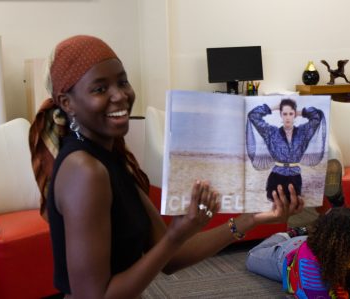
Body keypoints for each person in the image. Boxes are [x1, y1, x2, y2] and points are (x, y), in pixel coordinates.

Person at [28, 35, 304, 299]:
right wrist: (175, 236)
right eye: (100, 89)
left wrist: (251, 219)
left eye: (122, 82)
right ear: (67, 103)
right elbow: (95, 296)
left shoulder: (112, 158)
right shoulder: (84, 171)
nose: (119, 96)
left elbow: (172, 259)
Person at [246, 207, 350, 298]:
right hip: (289, 252)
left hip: (322, 241)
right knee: (251, 257)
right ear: (339, 251)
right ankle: (289, 234)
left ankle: (309, 232)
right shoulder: (309, 265)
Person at [246, 98, 326, 201]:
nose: (288, 117)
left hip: (295, 177)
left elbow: (317, 116)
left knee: (293, 209)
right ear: (280, 115)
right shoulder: (271, 132)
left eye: (291, 114)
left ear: (294, 115)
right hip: (276, 177)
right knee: (275, 208)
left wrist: (300, 112)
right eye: (284, 114)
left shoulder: (304, 132)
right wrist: (274, 107)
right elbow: (253, 115)